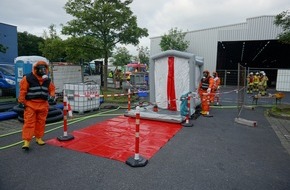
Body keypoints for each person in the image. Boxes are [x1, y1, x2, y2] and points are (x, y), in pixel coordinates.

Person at [18, 61, 56, 150]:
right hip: (31, 104)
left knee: (41, 122)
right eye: (41, 69)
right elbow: (23, 91)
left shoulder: (47, 80)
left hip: (43, 104)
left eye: (44, 69)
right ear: (36, 69)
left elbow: (52, 89)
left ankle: (39, 137)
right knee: (29, 123)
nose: (42, 71)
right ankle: (26, 141)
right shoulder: (27, 78)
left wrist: (52, 96)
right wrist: (21, 102)